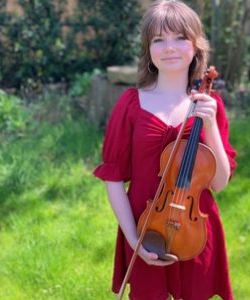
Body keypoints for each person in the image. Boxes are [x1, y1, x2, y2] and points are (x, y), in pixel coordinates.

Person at [93, 1, 237, 299]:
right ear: (148, 50)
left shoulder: (210, 105)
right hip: (147, 228)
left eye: (179, 38)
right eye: (158, 40)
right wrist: (134, 239)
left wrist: (209, 125)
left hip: (193, 229)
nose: (169, 48)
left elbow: (219, 183)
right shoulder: (131, 104)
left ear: (196, 46)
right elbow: (114, 177)